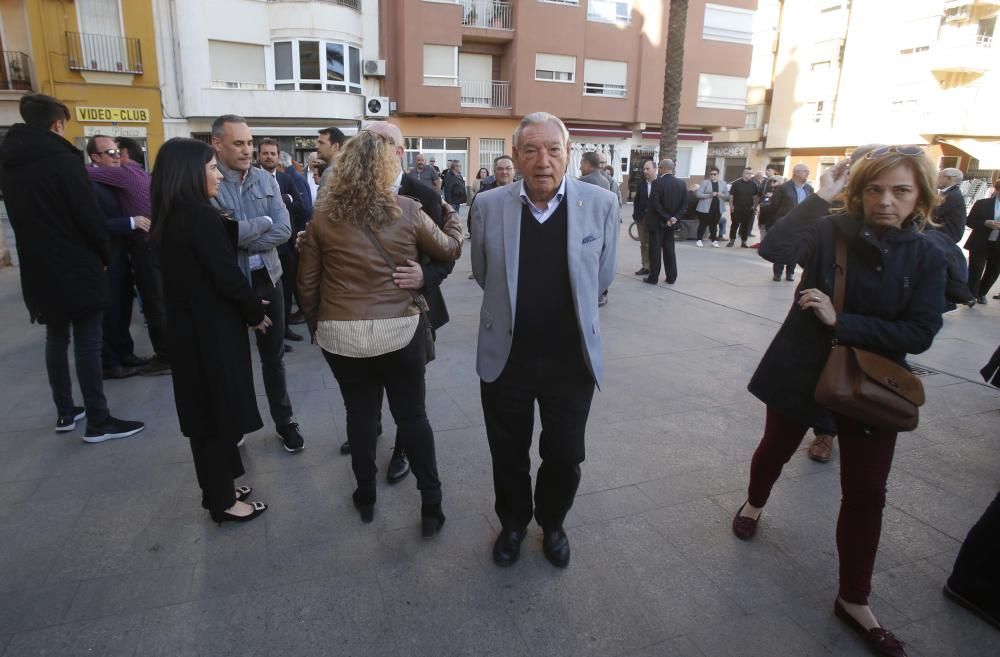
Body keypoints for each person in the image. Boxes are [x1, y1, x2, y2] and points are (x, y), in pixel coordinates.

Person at [734, 149, 946, 657]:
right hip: (803, 369)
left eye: (900, 191)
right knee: (775, 449)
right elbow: (774, 248)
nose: (886, 201)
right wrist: (823, 195)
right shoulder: (832, 229)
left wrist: (841, 321)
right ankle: (754, 502)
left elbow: (920, 333)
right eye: (874, 189)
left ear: (920, 196)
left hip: (872, 385)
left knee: (868, 490)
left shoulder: (930, 254)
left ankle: (854, 598)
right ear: (858, 190)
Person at [470, 112, 618, 568]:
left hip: (570, 362)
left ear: (568, 155)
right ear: (515, 156)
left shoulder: (600, 204)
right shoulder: (489, 205)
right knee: (508, 452)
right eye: (531, 150)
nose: (543, 160)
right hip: (507, 359)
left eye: (554, 149)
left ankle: (553, 523)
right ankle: (513, 523)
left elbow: (604, 275)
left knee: (564, 455)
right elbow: (482, 272)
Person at [297, 129, 463, 536]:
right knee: (413, 416)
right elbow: (449, 249)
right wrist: (454, 219)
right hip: (400, 332)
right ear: (389, 166)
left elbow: (306, 285)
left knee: (360, 416)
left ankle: (366, 495)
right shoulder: (406, 208)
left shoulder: (322, 217)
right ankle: (431, 506)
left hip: (341, 334)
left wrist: (320, 328)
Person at [0, 93, 144, 442]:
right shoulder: (63, 161)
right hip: (76, 263)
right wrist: (103, 257)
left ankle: (66, 411)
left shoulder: (10, 162)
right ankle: (98, 419)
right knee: (87, 341)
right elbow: (89, 218)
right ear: (58, 124)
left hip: (37, 265)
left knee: (56, 336)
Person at [152, 138, 270, 525]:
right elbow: (226, 276)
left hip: (190, 332)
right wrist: (254, 311)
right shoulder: (198, 216)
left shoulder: (173, 214)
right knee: (218, 417)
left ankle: (219, 488)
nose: (219, 175)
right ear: (190, 173)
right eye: (211, 168)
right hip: (211, 334)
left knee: (206, 417)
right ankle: (223, 502)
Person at [336, 120, 457, 487]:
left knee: (410, 403)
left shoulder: (424, 194)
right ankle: (368, 429)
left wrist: (425, 276)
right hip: (359, 318)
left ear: (399, 152)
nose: (370, 149)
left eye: (380, 143)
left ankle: (403, 451)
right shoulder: (345, 191)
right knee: (364, 398)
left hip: (413, 314)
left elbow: (444, 257)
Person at [210, 114, 304, 453]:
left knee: (273, 358)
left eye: (249, 143)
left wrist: (241, 235)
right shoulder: (208, 181)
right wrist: (254, 228)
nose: (247, 150)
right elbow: (217, 239)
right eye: (239, 143)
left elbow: (284, 229)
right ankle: (235, 422)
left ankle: (285, 421)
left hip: (269, 277)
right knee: (233, 360)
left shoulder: (267, 180)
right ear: (217, 144)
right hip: (229, 284)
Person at [86, 135, 148, 380]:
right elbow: (91, 223)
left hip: (123, 255)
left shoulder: (115, 178)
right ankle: (109, 362)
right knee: (109, 312)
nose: (117, 157)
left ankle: (125, 353)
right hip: (105, 257)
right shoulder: (89, 183)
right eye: (110, 153)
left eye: (118, 152)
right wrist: (130, 222)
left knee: (123, 307)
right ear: (95, 158)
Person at [257, 138, 308, 343]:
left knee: (286, 290)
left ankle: (285, 329)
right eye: (265, 153)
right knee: (266, 293)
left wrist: (284, 200)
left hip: (286, 247)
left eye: (273, 153)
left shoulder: (286, 179)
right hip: (262, 246)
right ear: (258, 155)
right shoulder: (252, 178)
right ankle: (271, 335)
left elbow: (300, 206)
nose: (269, 157)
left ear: (278, 157)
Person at [644, 158, 687, 285]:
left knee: (655, 251)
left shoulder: (657, 183)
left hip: (658, 223)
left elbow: (655, 204)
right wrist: (674, 218)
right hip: (672, 223)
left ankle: (653, 278)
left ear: (661, 168)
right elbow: (684, 204)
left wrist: (667, 218)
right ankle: (671, 277)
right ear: (672, 168)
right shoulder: (681, 184)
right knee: (669, 250)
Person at [767, 164, 813, 281]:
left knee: (796, 248)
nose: (807, 174)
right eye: (805, 171)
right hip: (785, 223)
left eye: (808, 172)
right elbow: (773, 206)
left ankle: (790, 272)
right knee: (782, 247)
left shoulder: (809, 189)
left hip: (802, 224)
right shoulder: (783, 188)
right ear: (796, 173)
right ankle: (778, 272)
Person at [962, 181, 1000, 305]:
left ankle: (981, 293)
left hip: (998, 244)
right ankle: (971, 295)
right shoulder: (982, 204)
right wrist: (985, 223)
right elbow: (969, 221)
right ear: (997, 190)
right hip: (980, 242)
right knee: (976, 268)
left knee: (994, 270)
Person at [695, 167, 730, 247]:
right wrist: (709, 195)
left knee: (714, 225)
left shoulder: (723, 183)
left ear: (718, 175)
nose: (712, 176)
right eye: (711, 174)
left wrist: (722, 195)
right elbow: (698, 194)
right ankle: (699, 239)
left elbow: (727, 196)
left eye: (714, 174)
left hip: (717, 208)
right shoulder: (705, 183)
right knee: (703, 224)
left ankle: (714, 240)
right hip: (705, 208)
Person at [632, 159, 656, 276]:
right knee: (644, 243)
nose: (645, 171)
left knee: (654, 244)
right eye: (644, 169)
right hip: (641, 219)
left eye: (648, 169)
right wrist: (636, 215)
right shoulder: (641, 184)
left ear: (655, 169)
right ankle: (645, 266)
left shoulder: (660, 184)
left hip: (655, 221)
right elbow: (637, 200)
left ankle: (654, 266)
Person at [727, 167, 760, 247]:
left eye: (750, 174)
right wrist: (731, 206)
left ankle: (743, 241)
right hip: (736, 208)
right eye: (748, 173)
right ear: (744, 174)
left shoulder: (753, 184)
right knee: (734, 225)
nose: (749, 175)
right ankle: (732, 240)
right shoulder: (736, 184)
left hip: (748, 209)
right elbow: (731, 196)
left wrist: (754, 207)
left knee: (745, 226)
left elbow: (755, 197)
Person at [933, 167, 966, 242]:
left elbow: (933, 212)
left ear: (949, 178)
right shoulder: (951, 192)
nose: (937, 179)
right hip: (944, 234)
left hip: (947, 235)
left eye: (939, 176)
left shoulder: (952, 195)